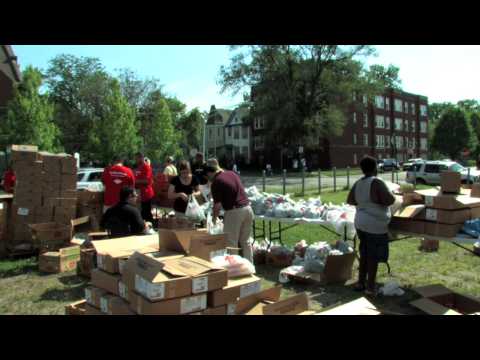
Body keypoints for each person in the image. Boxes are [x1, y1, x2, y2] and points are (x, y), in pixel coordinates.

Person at [347, 155, 395, 297]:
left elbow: (350, 200)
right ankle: (370, 286)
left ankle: (360, 282)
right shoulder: (377, 182)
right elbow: (389, 200)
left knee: (365, 252)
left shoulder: (358, 183)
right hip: (374, 224)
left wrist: (364, 204)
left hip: (360, 222)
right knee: (373, 256)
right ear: (375, 168)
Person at [205, 158, 254, 263]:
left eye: (207, 176)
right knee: (246, 241)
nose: (208, 179)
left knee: (231, 243)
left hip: (234, 212)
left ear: (210, 173)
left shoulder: (216, 182)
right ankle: (250, 267)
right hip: (248, 209)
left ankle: (235, 268)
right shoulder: (231, 173)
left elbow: (217, 206)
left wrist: (213, 220)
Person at [134, 152, 155, 223]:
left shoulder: (146, 167)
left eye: (136, 158)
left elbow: (147, 181)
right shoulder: (138, 168)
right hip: (140, 194)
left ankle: (150, 227)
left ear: (141, 158)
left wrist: (134, 181)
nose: (135, 160)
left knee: (146, 213)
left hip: (146, 194)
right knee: (141, 213)